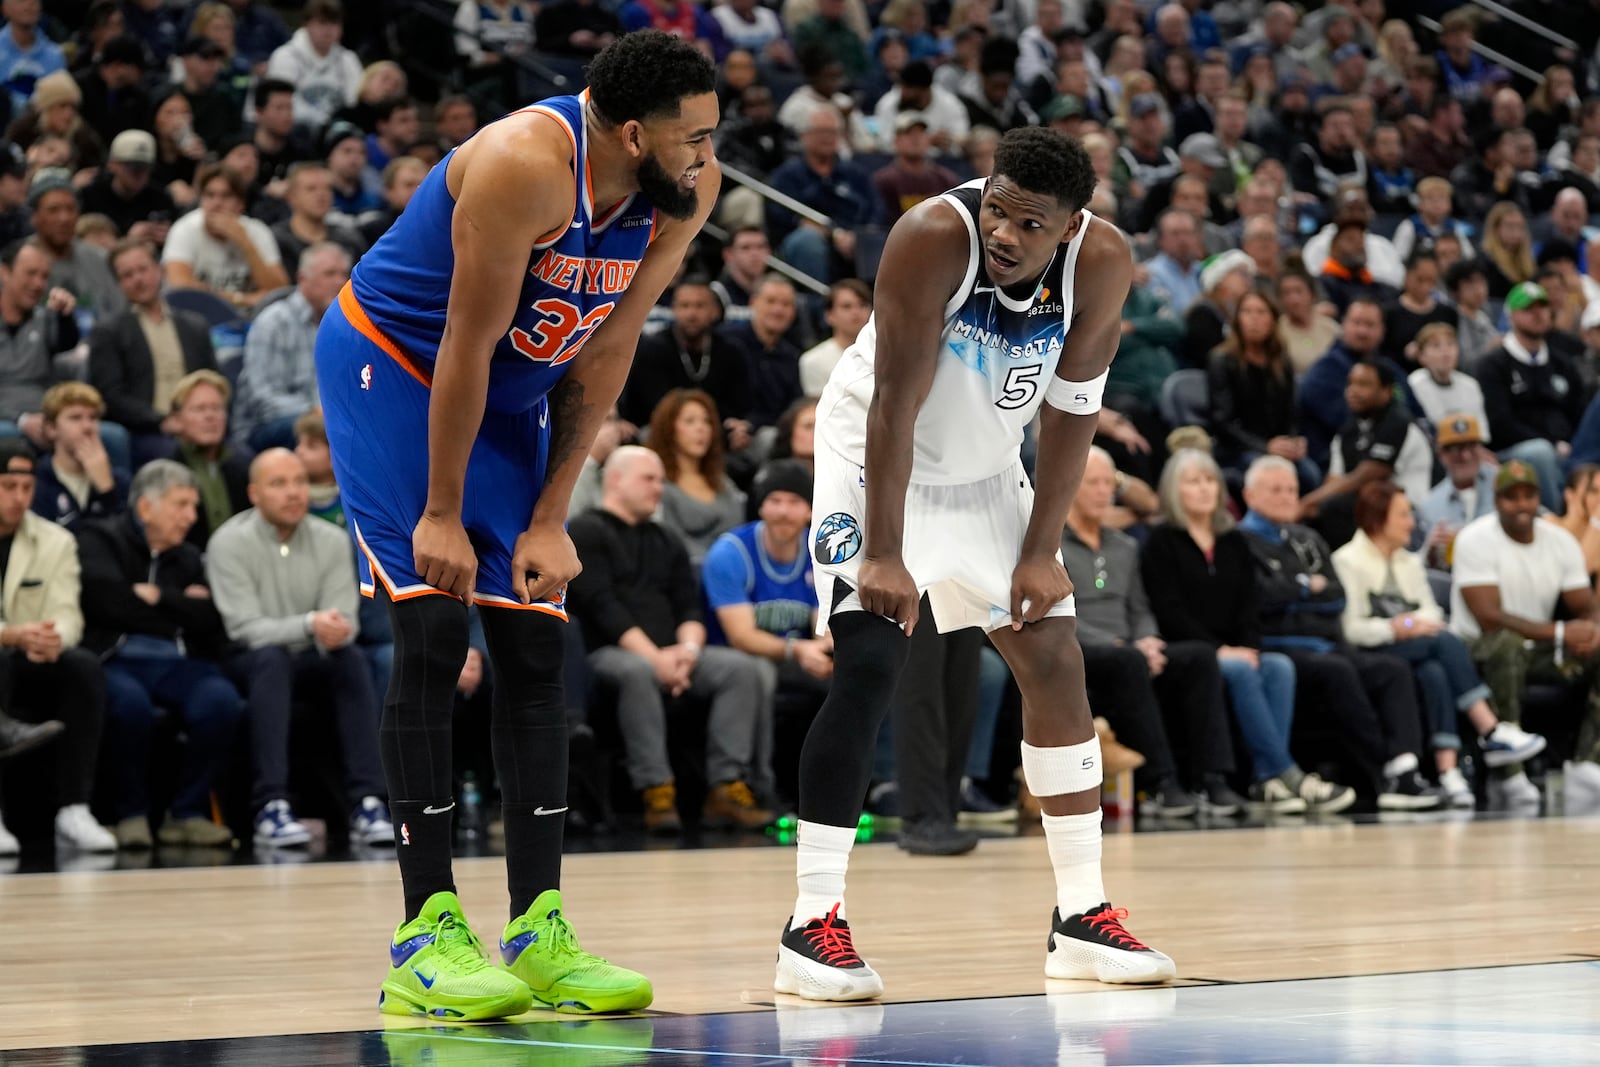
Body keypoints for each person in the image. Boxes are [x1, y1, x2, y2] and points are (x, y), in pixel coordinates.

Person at [312, 31, 719, 1020]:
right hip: (396, 367)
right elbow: (464, 341)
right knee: (436, 616)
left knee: (536, 639)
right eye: (695, 138)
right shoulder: (517, 165)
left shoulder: (681, 194)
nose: (709, 157)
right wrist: (442, 513)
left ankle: (537, 926)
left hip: (509, 396)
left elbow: (609, 346)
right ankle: (423, 934)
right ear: (631, 132)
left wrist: (551, 515)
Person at [780, 127, 1175, 1003]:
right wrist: (884, 550)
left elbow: (1073, 412)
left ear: (1070, 229)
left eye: (1029, 223)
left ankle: (1081, 914)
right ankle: (811, 924)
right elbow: (893, 404)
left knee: (1054, 657)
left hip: (989, 468)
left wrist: (1043, 549)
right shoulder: (931, 236)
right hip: (875, 454)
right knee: (872, 656)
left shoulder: (1103, 264)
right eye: (997, 206)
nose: (1003, 231)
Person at [1142, 448, 1356, 816]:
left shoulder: (1233, 541)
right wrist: (1219, 650)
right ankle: (1286, 772)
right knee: (1240, 668)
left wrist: (1248, 646)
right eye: (1193, 482)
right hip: (1188, 648)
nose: (1205, 489)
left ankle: (1267, 780)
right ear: (1173, 491)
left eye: (1210, 480)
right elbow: (1169, 611)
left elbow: (1249, 607)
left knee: (1276, 666)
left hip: (1235, 648)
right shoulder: (1160, 542)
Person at [567, 445, 770, 833]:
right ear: (615, 479)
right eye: (649, 479)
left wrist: (688, 653)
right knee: (636, 672)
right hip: (606, 655)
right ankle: (656, 790)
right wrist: (655, 658)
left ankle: (726, 787)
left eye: (661, 480)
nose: (659, 488)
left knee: (740, 669)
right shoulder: (585, 530)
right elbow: (602, 608)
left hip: (671, 653)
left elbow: (689, 607)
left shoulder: (665, 538)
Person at [1333, 480, 1546, 808]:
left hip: (1415, 648)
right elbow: (1353, 629)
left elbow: (1431, 610)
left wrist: (1416, 625)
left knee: (1434, 670)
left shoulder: (1410, 562)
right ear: (1378, 519)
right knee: (1444, 643)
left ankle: (1448, 773)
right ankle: (1490, 731)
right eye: (1403, 515)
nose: (1411, 523)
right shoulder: (1347, 561)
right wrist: (1402, 625)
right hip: (1370, 651)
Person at [1064, 447, 1244, 817]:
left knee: (1197, 656)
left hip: (1129, 648)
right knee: (1127, 660)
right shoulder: (1053, 545)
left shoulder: (1126, 545)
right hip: (1079, 648)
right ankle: (1161, 783)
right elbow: (1059, 615)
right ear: (1068, 485)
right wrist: (1119, 644)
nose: (1103, 492)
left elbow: (1140, 608)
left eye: (1108, 484)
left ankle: (1211, 778)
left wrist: (1147, 639)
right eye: (1092, 483)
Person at [78, 459, 243, 848]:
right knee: (129, 706)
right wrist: (176, 608)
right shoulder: (99, 538)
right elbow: (106, 602)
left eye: (193, 506)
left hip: (176, 661)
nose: (191, 516)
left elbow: (210, 617)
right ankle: (130, 814)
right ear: (146, 507)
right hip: (115, 658)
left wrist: (158, 597)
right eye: (181, 505)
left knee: (220, 700)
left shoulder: (187, 555)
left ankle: (186, 813)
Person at [1449, 461, 1600, 812]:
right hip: (1475, 650)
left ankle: (1587, 761)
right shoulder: (1474, 539)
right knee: (1507, 645)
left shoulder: (1560, 542)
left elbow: (1584, 605)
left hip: (1539, 646)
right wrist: (1563, 631)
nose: (1520, 505)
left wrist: (1592, 631)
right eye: (1510, 497)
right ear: (1496, 499)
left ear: (1539, 499)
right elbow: (1489, 618)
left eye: (1528, 496)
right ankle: (1509, 772)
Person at [0, 438, 113, 855]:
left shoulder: (55, 540)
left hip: (32, 655)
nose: (18, 498)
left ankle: (74, 809)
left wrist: (53, 638)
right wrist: (10, 634)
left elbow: (69, 614)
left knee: (83, 666)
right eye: (7, 486)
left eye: (26, 488)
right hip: (5, 650)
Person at [88, 238, 218, 467]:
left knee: (240, 458)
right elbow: (111, 397)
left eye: (143, 269)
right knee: (176, 456)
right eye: (127, 275)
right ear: (119, 284)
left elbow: (214, 381)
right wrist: (162, 421)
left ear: (159, 271)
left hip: (200, 425)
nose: (138, 279)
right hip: (147, 431)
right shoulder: (109, 332)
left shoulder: (194, 326)